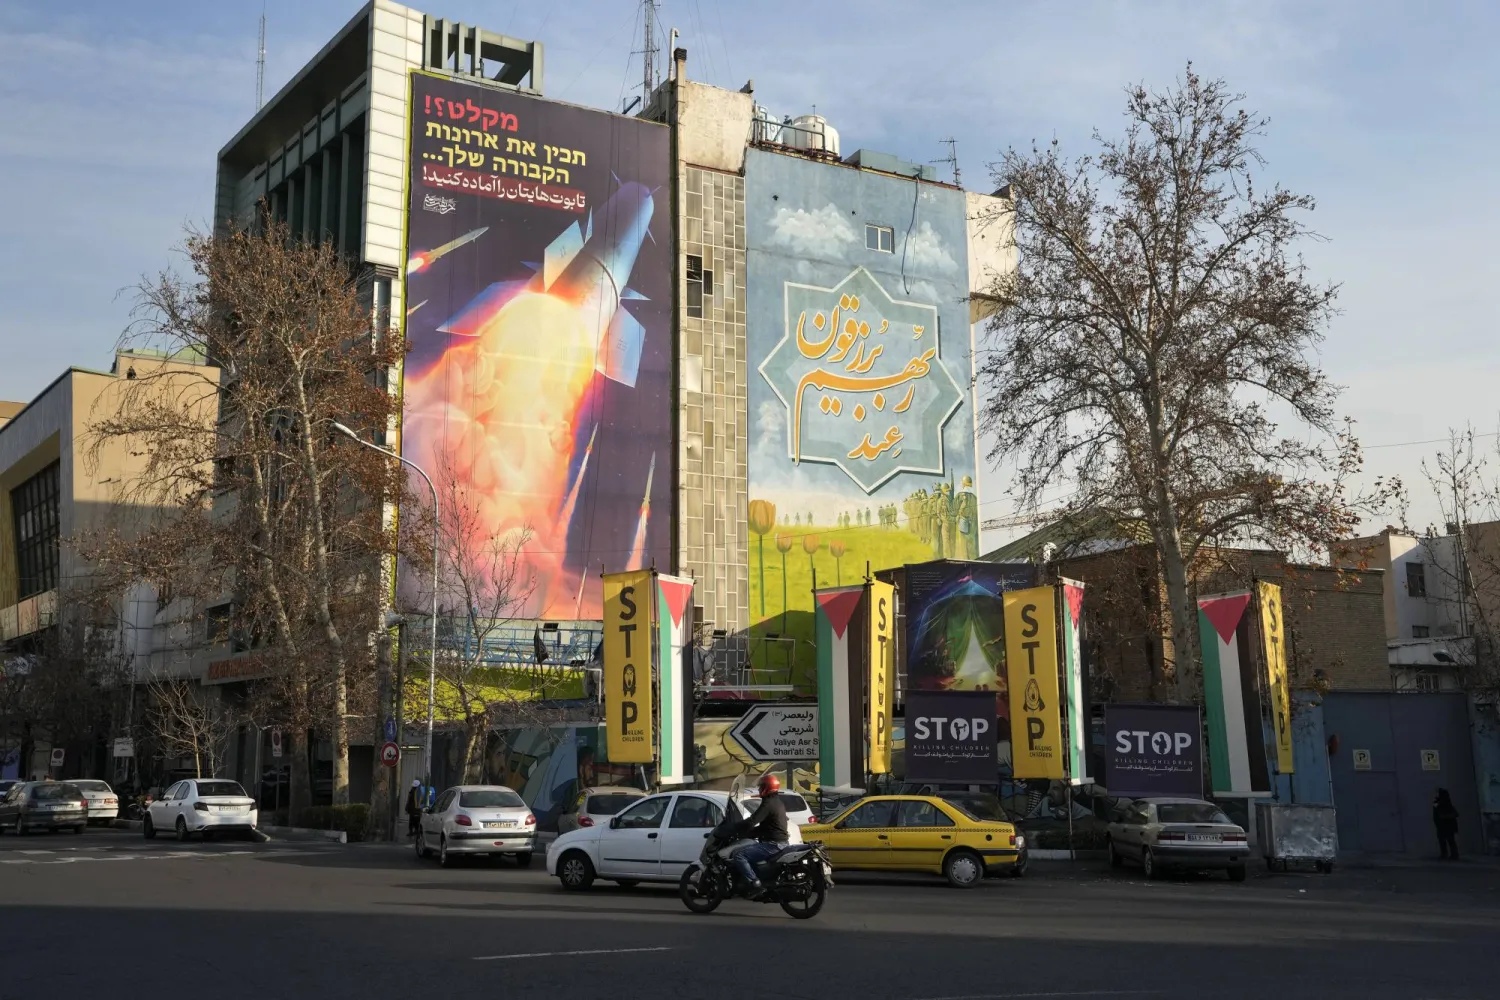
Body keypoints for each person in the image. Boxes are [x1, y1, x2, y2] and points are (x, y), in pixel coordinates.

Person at [731, 773, 790, 898]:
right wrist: (750, 833)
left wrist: (736, 827)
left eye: (761, 786)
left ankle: (755, 883)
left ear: (767, 787)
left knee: (739, 855)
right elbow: (766, 827)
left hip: (773, 844)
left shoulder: (768, 803)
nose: (759, 789)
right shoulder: (777, 802)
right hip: (779, 842)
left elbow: (753, 820)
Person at [1433, 788, 1460, 860]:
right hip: (1447, 825)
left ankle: (1446, 854)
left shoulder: (1440, 803)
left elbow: (1436, 809)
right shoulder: (1447, 803)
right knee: (1450, 840)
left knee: (1444, 841)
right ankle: (1453, 854)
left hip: (1443, 825)